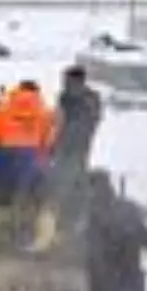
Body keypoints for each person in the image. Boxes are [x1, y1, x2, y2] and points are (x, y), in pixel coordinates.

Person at [0, 80, 58, 252]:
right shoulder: (44, 111)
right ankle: (40, 244)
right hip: (32, 159)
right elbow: (49, 141)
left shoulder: (4, 107)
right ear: (37, 91)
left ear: (19, 89)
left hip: (6, 157)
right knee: (42, 201)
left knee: (1, 200)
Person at [51, 64, 103, 233]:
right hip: (68, 148)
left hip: (75, 148)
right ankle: (64, 224)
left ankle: (67, 225)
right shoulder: (67, 97)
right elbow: (58, 121)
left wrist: (59, 140)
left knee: (68, 185)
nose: (63, 83)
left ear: (77, 80)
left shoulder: (85, 99)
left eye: (66, 80)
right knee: (64, 185)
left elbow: (83, 124)